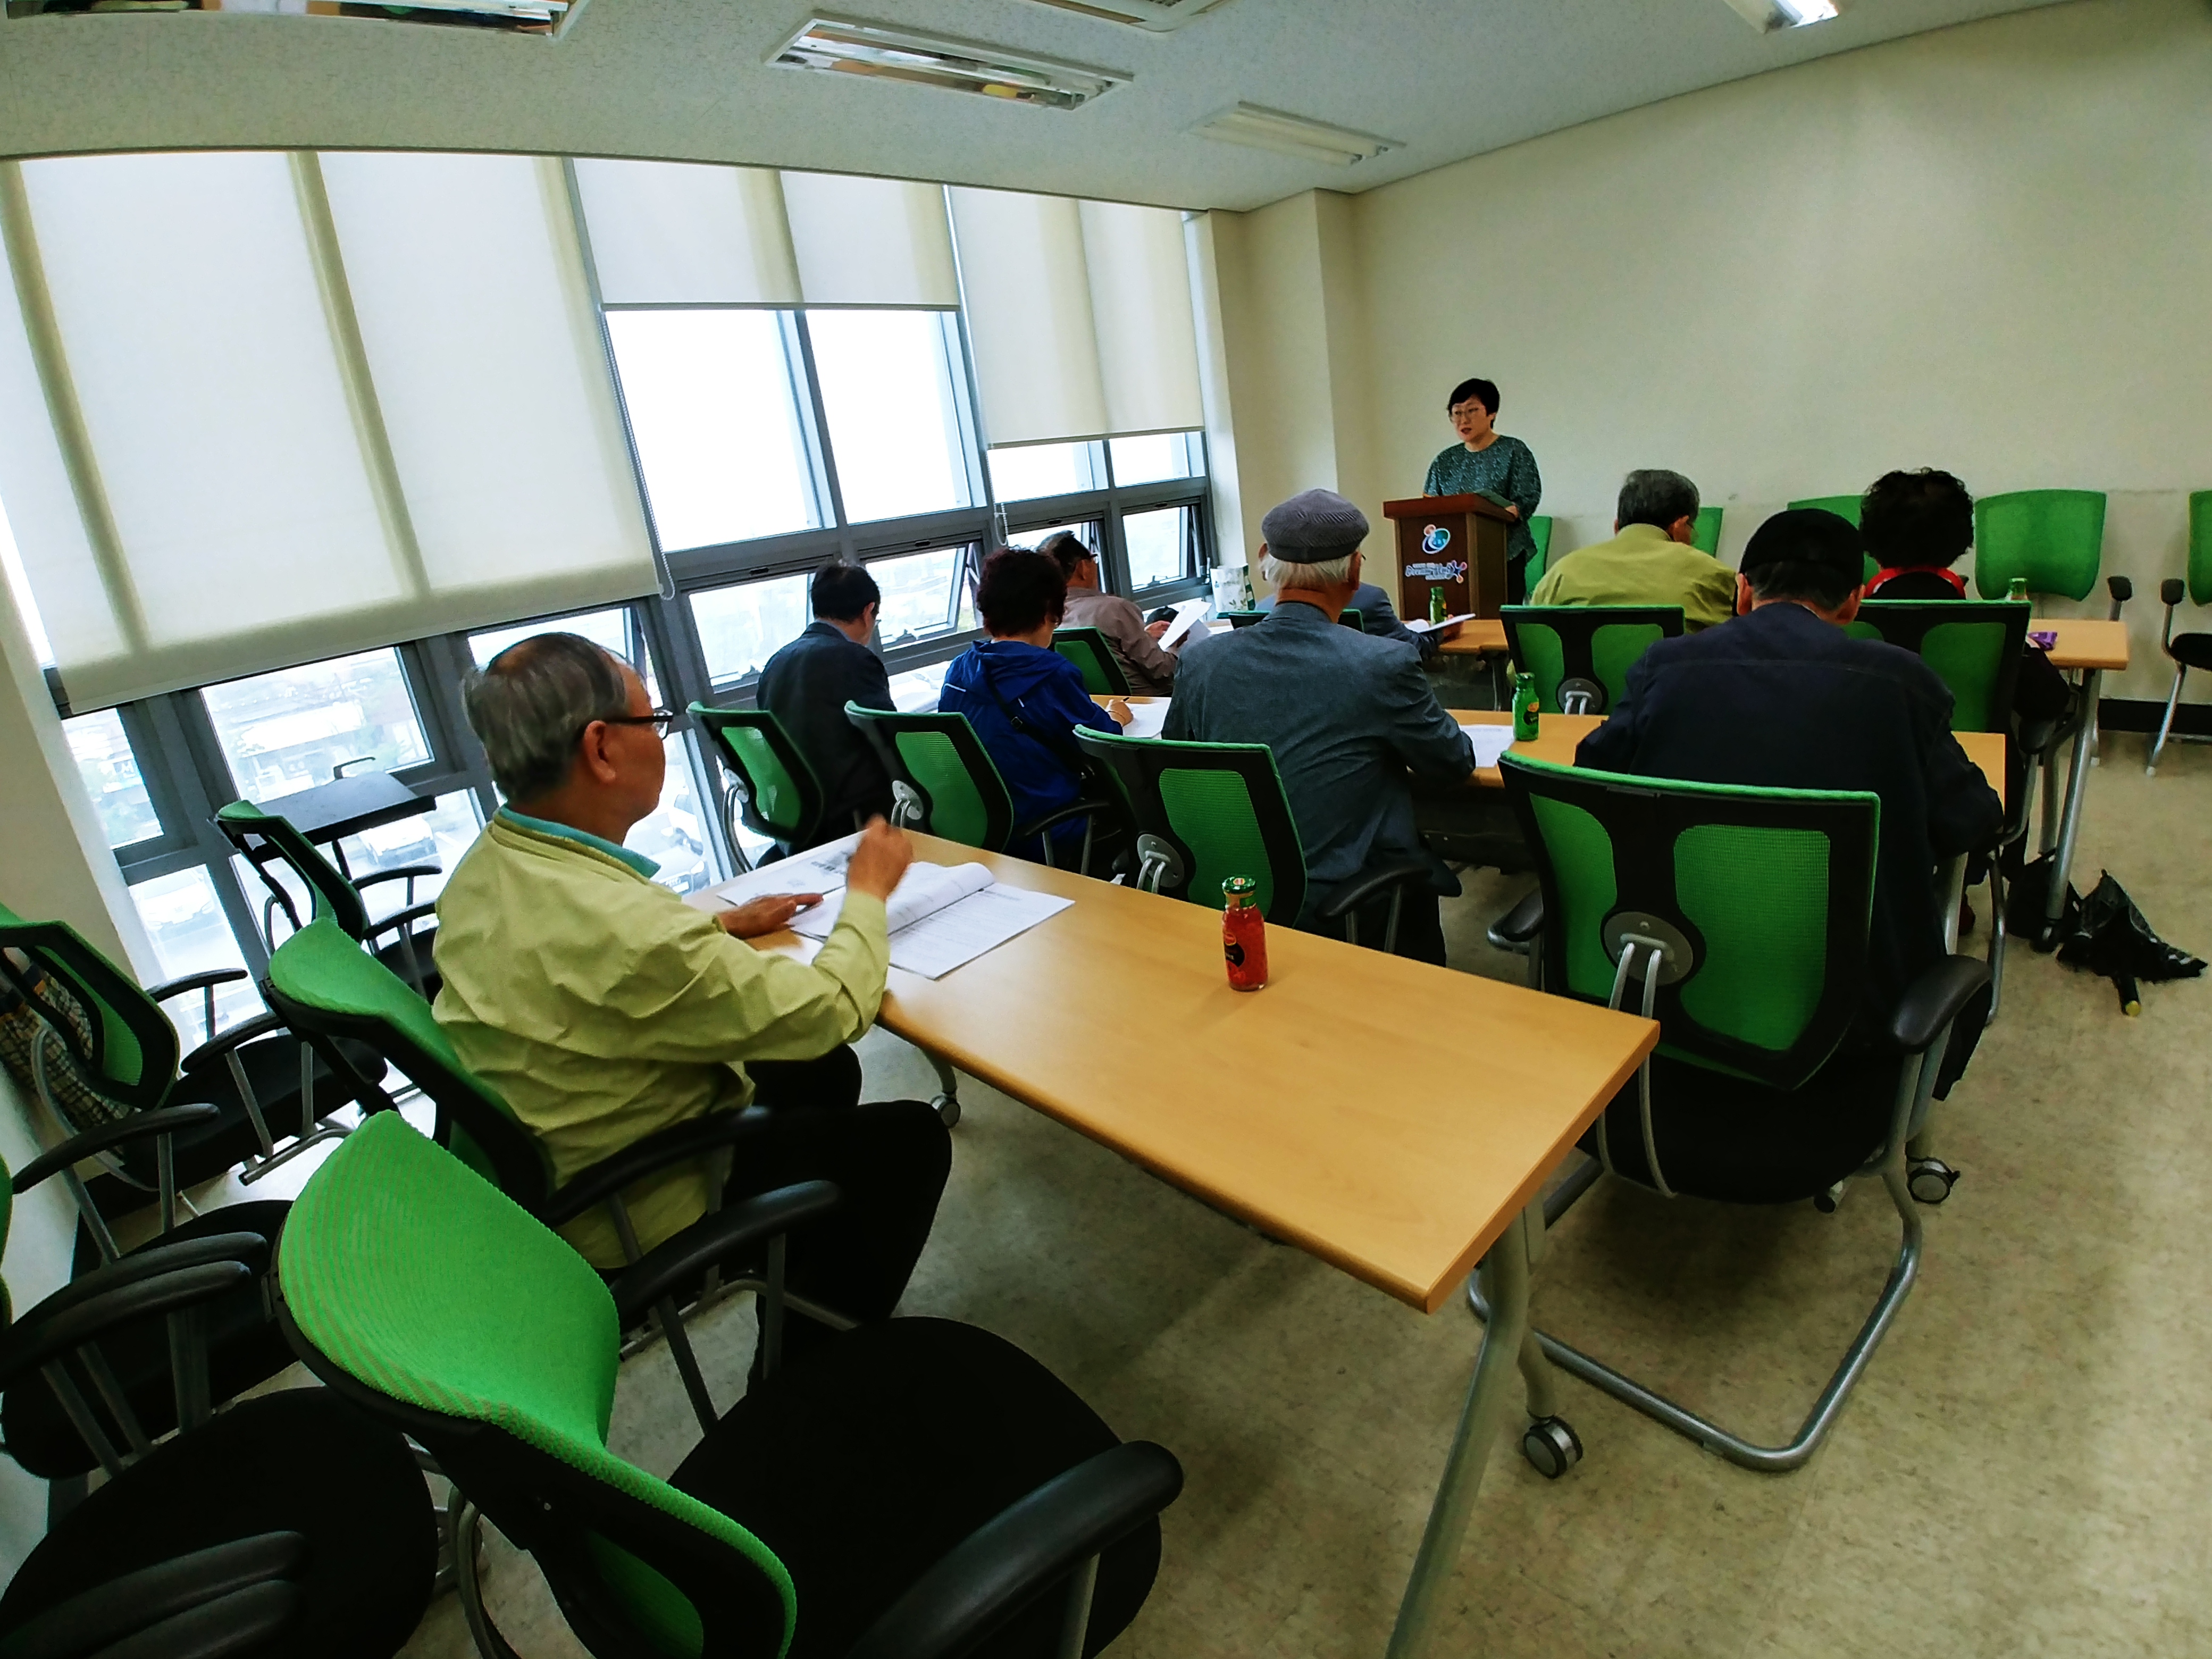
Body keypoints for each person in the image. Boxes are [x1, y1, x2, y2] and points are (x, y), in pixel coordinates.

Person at [434, 631, 950, 1368]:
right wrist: (867, 889)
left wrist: (719, 926)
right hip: (635, 1201)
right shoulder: (629, 929)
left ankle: (798, 1248)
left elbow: (584, 962)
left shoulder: (486, 868)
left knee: (821, 1071)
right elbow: (834, 1006)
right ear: (601, 748)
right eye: (653, 720)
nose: (663, 738)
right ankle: (802, 1370)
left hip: (567, 1155)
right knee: (908, 1141)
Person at [1578, 508, 2002, 1036]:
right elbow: (1972, 822)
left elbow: (1589, 779)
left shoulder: (1661, 667)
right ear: (1853, 601)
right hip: (1850, 1024)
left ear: (1741, 592)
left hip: (1664, 982)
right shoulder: (1903, 683)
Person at [1166, 490, 1475, 963]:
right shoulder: (1382, 663)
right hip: (1338, 901)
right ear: (1354, 572)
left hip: (1228, 893)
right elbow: (1452, 763)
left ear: (1265, 560)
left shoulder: (1201, 661)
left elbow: (1178, 771)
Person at [1856, 467, 2074, 794]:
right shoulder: (1995, 628)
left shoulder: (1847, 626)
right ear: (1960, 542)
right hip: (1975, 791)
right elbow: (2051, 699)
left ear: (1871, 542)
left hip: (1867, 793)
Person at [936, 548, 1128, 861]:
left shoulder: (958, 671)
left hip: (983, 832)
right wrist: (1116, 717)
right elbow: (1104, 744)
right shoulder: (1051, 674)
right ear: (1050, 610)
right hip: (1051, 831)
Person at [756, 560, 896, 848]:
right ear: (868, 612)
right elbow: (891, 738)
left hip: (795, 823)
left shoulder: (775, 664)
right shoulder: (855, 659)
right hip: (851, 820)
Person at [1528, 468, 1739, 631]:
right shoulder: (1714, 575)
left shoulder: (1561, 573)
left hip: (1582, 678)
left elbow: (1525, 660)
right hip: (1675, 677)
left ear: (1617, 527)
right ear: (1680, 527)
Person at [1422, 376, 1544, 602]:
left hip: (1504, 554)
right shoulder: (1444, 461)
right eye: (1457, 413)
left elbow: (1527, 498)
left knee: (1500, 618)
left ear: (1492, 413)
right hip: (1453, 560)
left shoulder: (1514, 450)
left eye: (1472, 411)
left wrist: (1510, 510)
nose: (1463, 420)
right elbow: (1428, 507)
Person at [1042, 531, 1190, 695]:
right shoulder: (1115, 609)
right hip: (1152, 701)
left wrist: (1145, 636)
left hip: (1099, 704)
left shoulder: (1046, 617)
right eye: (1093, 559)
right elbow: (1163, 671)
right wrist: (1175, 646)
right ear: (1083, 567)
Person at [1258, 573, 1438, 658]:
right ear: (1355, 567)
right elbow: (1412, 649)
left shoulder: (1262, 608)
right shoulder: (1370, 599)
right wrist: (1442, 632)